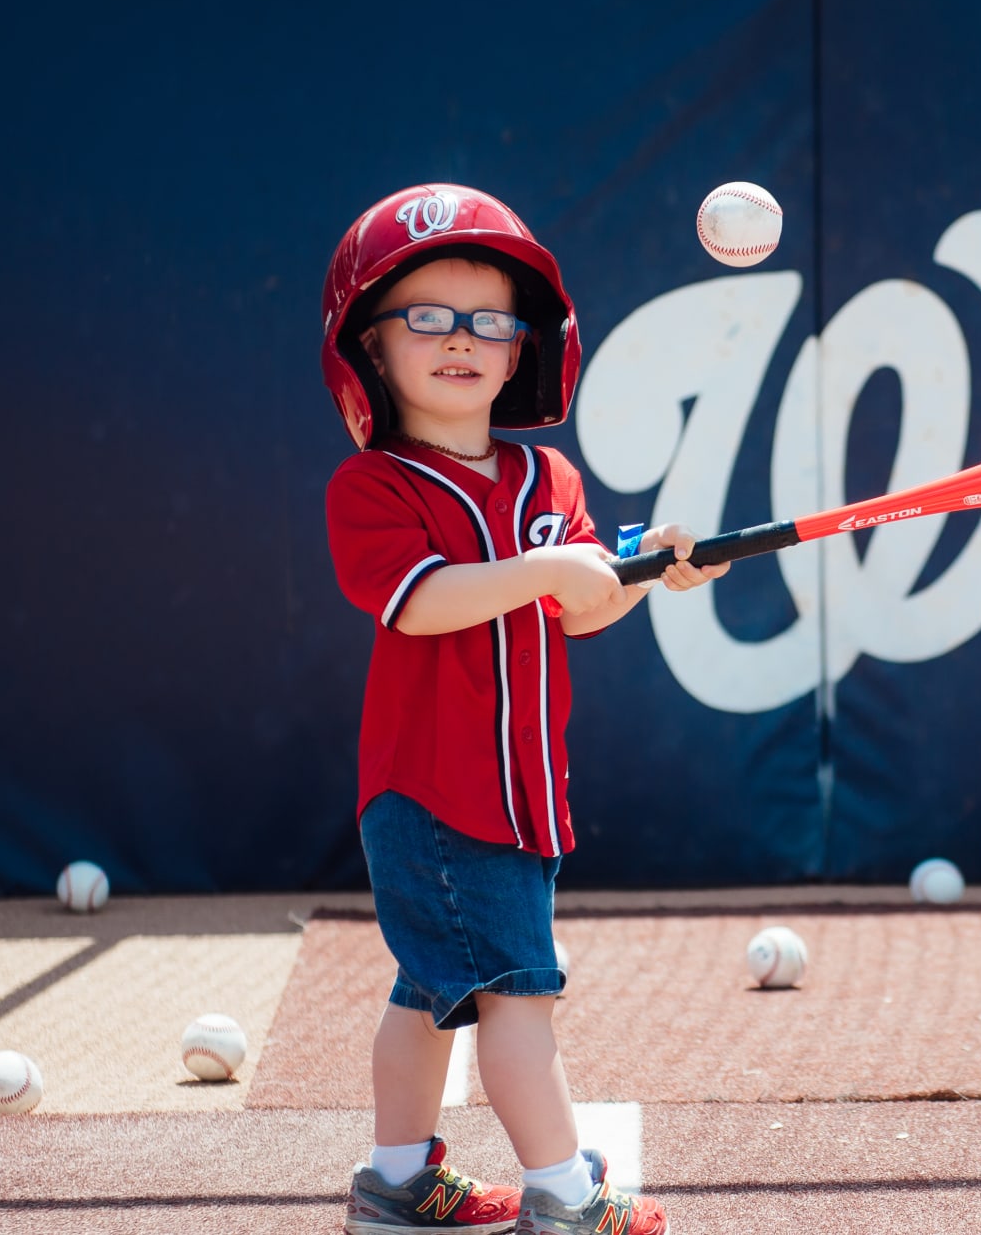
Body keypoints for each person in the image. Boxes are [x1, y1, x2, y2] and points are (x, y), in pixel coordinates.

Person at [321, 183, 725, 1235]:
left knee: (430, 990)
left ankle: (397, 1182)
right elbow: (420, 605)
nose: (462, 341)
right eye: (427, 317)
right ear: (368, 346)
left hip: (518, 794)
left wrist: (642, 571)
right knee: (517, 1000)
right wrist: (549, 562)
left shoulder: (550, 476)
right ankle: (563, 1197)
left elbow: (578, 612)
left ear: (521, 350)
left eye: (490, 322)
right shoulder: (374, 488)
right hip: (439, 798)